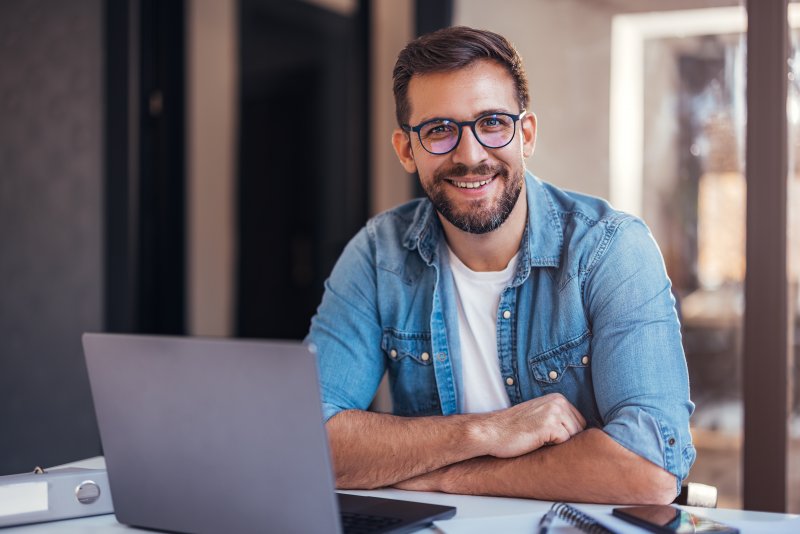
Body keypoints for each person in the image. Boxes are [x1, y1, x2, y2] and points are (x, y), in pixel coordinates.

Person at [306, 26, 695, 504]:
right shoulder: (377, 256)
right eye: (439, 130)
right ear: (407, 150)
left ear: (525, 134)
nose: (470, 156)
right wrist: (484, 433)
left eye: (492, 122)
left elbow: (650, 469)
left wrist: (443, 475)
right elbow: (307, 439)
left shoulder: (611, 249)